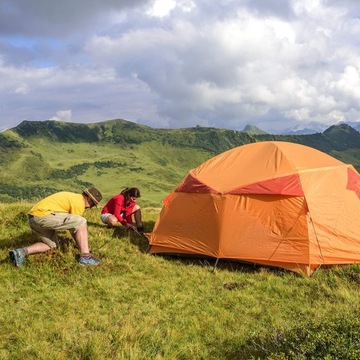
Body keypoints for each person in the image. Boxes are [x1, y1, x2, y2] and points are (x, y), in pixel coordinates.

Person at [9, 187, 103, 267]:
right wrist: (82, 247)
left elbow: (73, 226)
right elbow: (76, 227)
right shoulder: (79, 202)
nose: (90, 207)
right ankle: (86, 257)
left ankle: (21, 252)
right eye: (92, 203)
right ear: (87, 198)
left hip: (33, 218)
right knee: (81, 221)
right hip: (43, 216)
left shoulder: (73, 197)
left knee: (51, 246)